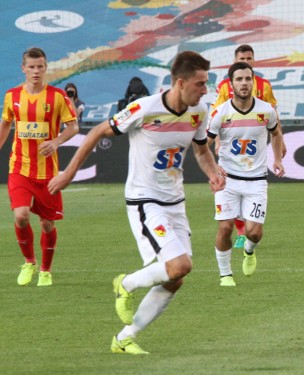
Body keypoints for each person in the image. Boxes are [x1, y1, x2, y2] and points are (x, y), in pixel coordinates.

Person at [48, 51, 226, 354]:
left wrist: (213, 173)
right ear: (180, 83)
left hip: (175, 201)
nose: (205, 90)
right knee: (180, 264)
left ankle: (124, 338)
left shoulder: (199, 112)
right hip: (145, 200)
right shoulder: (145, 108)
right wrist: (67, 173)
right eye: (200, 84)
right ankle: (126, 283)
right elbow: (96, 132)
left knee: (176, 277)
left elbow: (201, 151)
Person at [0, 47, 79, 287]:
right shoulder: (12, 96)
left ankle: (46, 270)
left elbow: (73, 127)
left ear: (46, 68)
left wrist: (56, 142)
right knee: (21, 216)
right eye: (31, 67)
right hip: (20, 168)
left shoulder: (57, 97)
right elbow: (5, 124)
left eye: (40, 66)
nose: (36, 71)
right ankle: (29, 262)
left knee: (47, 223)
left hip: (47, 173)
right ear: (24, 69)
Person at [207, 61, 285, 287]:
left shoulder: (266, 110)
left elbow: (277, 134)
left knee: (254, 233)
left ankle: (250, 252)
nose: (244, 83)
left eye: (247, 79)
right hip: (227, 180)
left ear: (253, 82)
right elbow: (204, 144)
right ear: (231, 85)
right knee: (225, 226)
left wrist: (277, 159)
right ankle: (225, 275)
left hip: (256, 180)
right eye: (239, 79)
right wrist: (214, 168)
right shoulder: (220, 113)